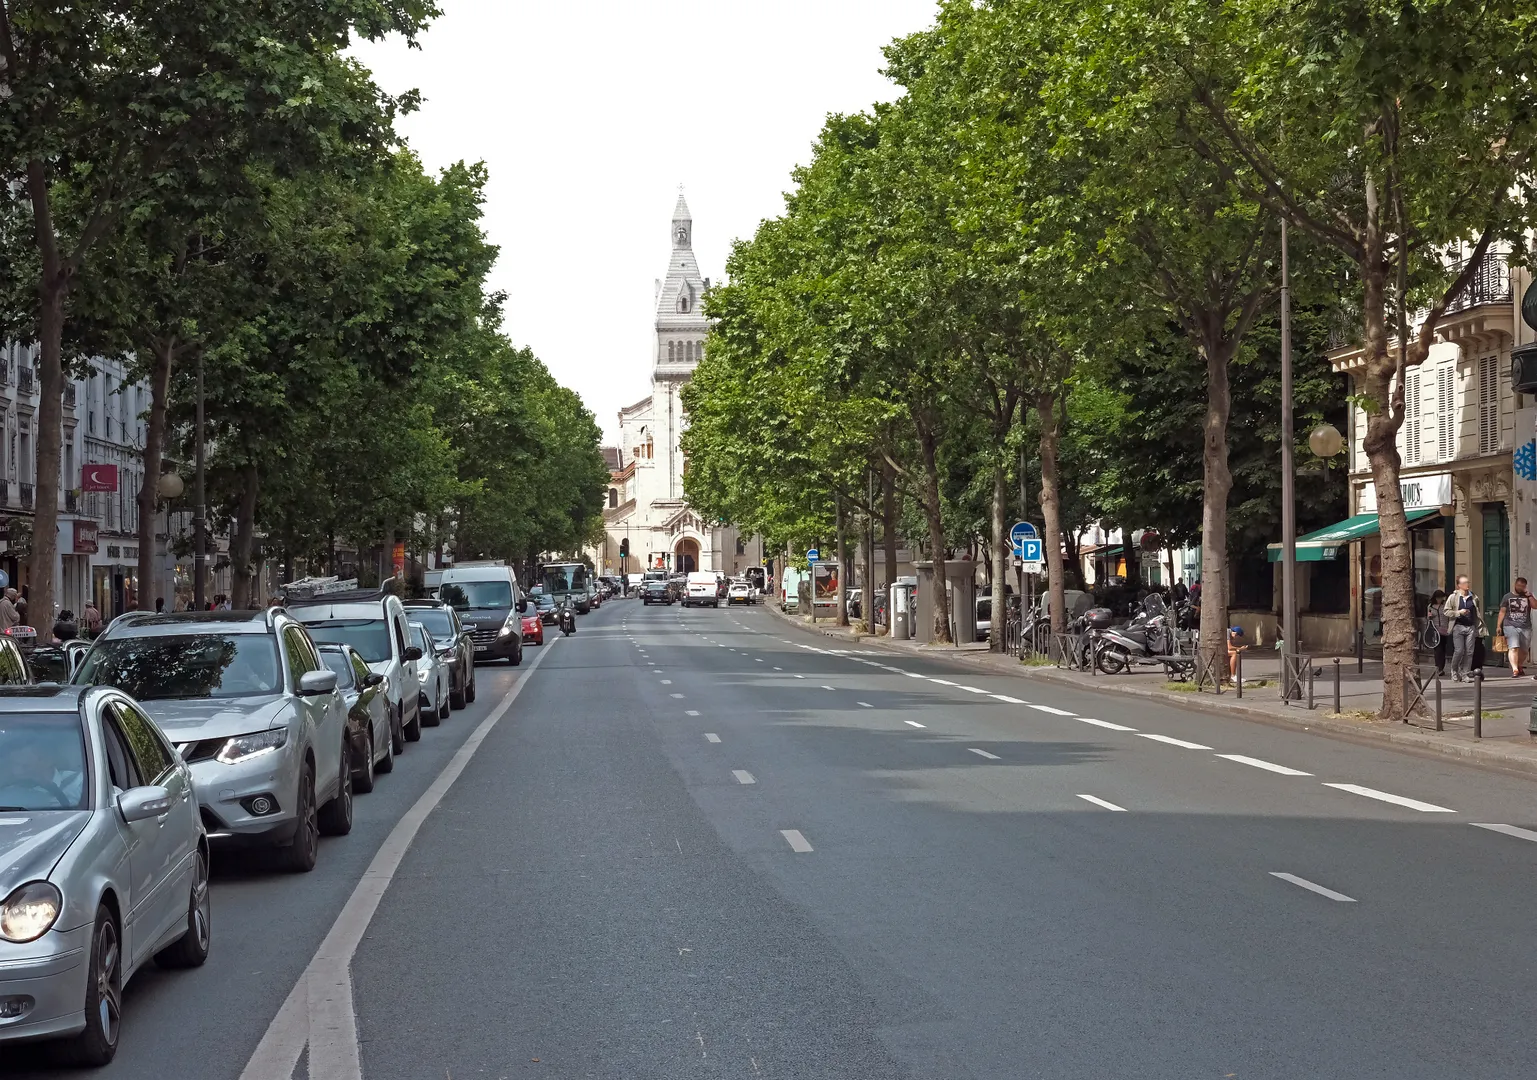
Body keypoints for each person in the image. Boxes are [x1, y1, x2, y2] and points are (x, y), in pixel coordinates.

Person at [1442, 575, 1486, 682]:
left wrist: (1477, 627)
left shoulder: (1474, 597)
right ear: (1459, 585)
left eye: (1468, 582)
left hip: (1470, 627)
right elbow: (1446, 611)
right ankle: (1454, 671)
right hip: (1458, 627)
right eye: (1465, 583)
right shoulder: (1453, 597)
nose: (1467, 585)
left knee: (1469, 652)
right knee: (1459, 650)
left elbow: (1477, 613)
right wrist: (1459, 612)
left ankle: (1465, 674)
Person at [1498, 577, 1532, 678]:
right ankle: (1515, 669)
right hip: (1510, 625)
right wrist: (1498, 625)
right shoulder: (1507, 597)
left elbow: (1535, 606)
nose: (1520, 588)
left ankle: (1519, 665)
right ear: (1515, 585)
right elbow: (1502, 611)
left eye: (1522, 586)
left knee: (1524, 650)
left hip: (1525, 626)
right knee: (1513, 647)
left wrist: (1530, 596)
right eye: (1518, 585)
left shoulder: (1527, 597)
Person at [1427, 589, 1448, 677]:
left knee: (1443, 649)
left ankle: (1441, 667)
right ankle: (1438, 667)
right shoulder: (1430, 606)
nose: (1439, 600)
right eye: (1438, 598)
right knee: (1437, 649)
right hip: (1435, 630)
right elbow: (1427, 618)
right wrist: (1430, 617)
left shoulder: (1445, 605)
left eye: (1441, 598)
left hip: (1445, 629)